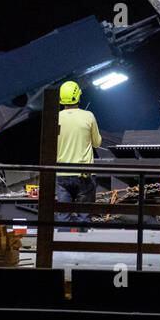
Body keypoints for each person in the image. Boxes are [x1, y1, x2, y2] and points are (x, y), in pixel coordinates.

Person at [55, 80, 101, 228]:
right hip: (84, 175)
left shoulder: (56, 117)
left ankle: (61, 249)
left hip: (61, 174)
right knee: (84, 217)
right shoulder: (88, 116)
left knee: (63, 217)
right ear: (78, 97)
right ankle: (84, 248)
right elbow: (97, 143)